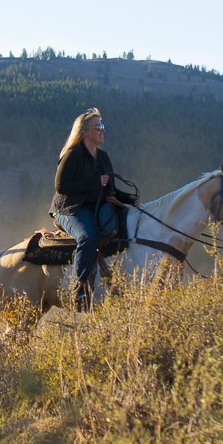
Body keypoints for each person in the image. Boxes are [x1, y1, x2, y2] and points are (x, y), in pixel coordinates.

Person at [51, 108, 139, 311]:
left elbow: (110, 190)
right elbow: (61, 187)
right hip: (69, 208)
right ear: (84, 131)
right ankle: (79, 289)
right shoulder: (72, 155)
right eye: (98, 127)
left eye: (103, 126)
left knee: (121, 227)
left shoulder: (103, 157)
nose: (102, 130)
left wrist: (129, 198)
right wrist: (94, 182)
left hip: (95, 207)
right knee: (88, 236)